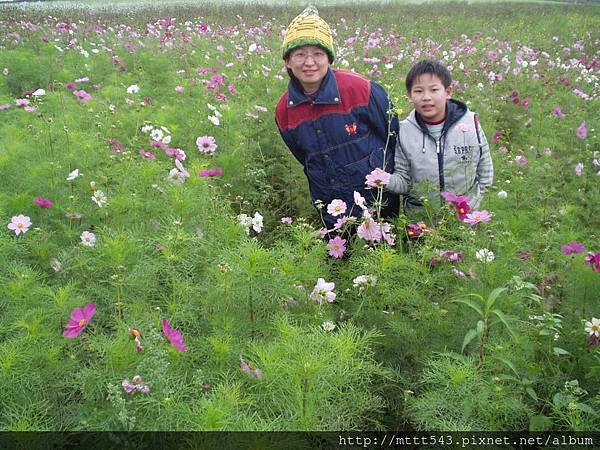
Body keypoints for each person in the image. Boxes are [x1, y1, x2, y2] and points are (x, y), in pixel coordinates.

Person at [275, 6, 399, 230]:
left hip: (381, 203)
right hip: (334, 210)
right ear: (288, 61)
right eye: (300, 54)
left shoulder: (361, 90)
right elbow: (303, 157)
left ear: (329, 58)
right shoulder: (284, 110)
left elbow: (393, 138)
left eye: (318, 54)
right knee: (342, 260)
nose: (309, 62)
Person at [386, 59, 494, 215]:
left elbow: (485, 169)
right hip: (421, 222)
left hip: (464, 218)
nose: (426, 97)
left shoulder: (470, 123)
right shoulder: (405, 131)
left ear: (448, 92)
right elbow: (404, 181)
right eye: (418, 91)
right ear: (409, 95)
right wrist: (383, 180)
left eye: (434, 90)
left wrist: (477, 201)